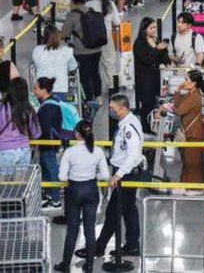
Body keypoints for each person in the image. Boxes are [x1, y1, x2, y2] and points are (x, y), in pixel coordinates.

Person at [76, 95, 143, 259]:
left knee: (113, 212)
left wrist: (118, 175)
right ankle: (132, 245)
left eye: (114, 108)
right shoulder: (127, 123)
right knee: (129, 211)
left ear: (124, 107)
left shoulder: (129, 127)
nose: (111, 111)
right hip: (126, 172)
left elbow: (133, 155)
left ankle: (98, 247)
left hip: (126, 174)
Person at [54, 120, 109, 273]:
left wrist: (74, 174)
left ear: (77, 134)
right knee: (89, 229)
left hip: (74, 190)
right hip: (91, 189)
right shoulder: (97, 151)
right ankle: (90, 265)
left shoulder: (69, 152)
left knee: (72, 229)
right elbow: (105, 175)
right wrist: (92, 175)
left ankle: (65, 265)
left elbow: (62, 177)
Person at [62, 0, 104, 111]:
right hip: (97, 48)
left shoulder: (72, 15)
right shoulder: (91, 11)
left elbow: (65, 34)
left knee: (85, 76)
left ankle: (88, 99)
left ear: (71, 1)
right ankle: (98, 96)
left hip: (82, 51)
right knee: (95, 72)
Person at [170, 69, 204, 185]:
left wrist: (167, 108)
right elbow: (178, 104)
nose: (184, 82)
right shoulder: (189, 94)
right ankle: (186, 183)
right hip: (189, 132)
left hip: (194, 133)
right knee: (187, 159)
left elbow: (179, 110)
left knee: (192, 161)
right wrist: (177, 90)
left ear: (194, 83)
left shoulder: (194, 97)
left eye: (186, 79)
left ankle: (194, 186)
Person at [133, 18, 168, 132]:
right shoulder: (139, 43)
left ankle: (155, 128)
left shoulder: (155, 40)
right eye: (151, 28)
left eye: (154, 28)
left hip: (156, 77)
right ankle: (146, 129)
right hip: (144, 79)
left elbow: (161, 58)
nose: (153, 30)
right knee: (146, 105)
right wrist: (157, 49)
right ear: (144, 29)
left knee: (156, 104)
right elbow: (146, 60)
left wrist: (164, 54)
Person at [33, 77, 63, 209]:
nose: (34, 91)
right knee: (46, 170)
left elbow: (44, 128)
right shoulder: (52, 103)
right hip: (49, 143)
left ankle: (55, 200)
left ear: (44, 90)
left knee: (51, 171)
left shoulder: (47, 107)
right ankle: (49, 196)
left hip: (48, 144)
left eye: (36, 88)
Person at [32, 24, 78, 102]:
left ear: (44, 36)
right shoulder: (66, 51)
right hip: (61, 89)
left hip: (42, 90)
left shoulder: (37, 50)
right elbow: (73, 67)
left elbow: (35, 65)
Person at [0, 77, 40, 166]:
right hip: (24, 150)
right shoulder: (28, 109)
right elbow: (36, 132)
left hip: (5, 150)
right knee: (21, 180)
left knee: (4, 180)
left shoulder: (2, 107)